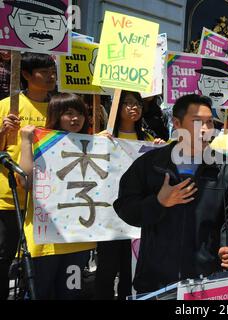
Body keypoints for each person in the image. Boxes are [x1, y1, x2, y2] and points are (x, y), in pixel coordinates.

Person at [113, 94, 228, 294]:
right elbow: (125, 207)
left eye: (209, 122)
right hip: (156, 282)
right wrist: (159, 202)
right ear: (177, 123)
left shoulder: (226, 169)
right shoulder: (151, 165)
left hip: (206, 280)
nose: (205, 129)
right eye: (197, 122)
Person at [17, 93, 96, 299]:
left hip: (79, 242)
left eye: (80, 113)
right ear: (55, 115)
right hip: (45, 243)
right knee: (38, 294)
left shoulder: (93, 145)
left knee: (71, 294)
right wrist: (26, 142)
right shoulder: (39, 143)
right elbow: (25, 181)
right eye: (68, 113)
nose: (75, 118)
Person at [95, 91, 164, 300]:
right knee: (106, 269)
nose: (134, 108)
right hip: (107, 217)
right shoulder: (103, 137)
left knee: (130, 269)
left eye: (138, 104)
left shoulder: (149, 139)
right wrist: (96, 141)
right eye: (128, 104)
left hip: (135, 217)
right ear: (117, 107)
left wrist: (160, 149)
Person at [0, 52, 56, 300]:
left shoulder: (60, 107)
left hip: (47, 200)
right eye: (43, 71)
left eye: (52, 70)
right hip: (9, 197)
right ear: (25, 75)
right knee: (3, 257)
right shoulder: (5, 106)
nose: (50, 76)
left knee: (40, 260)